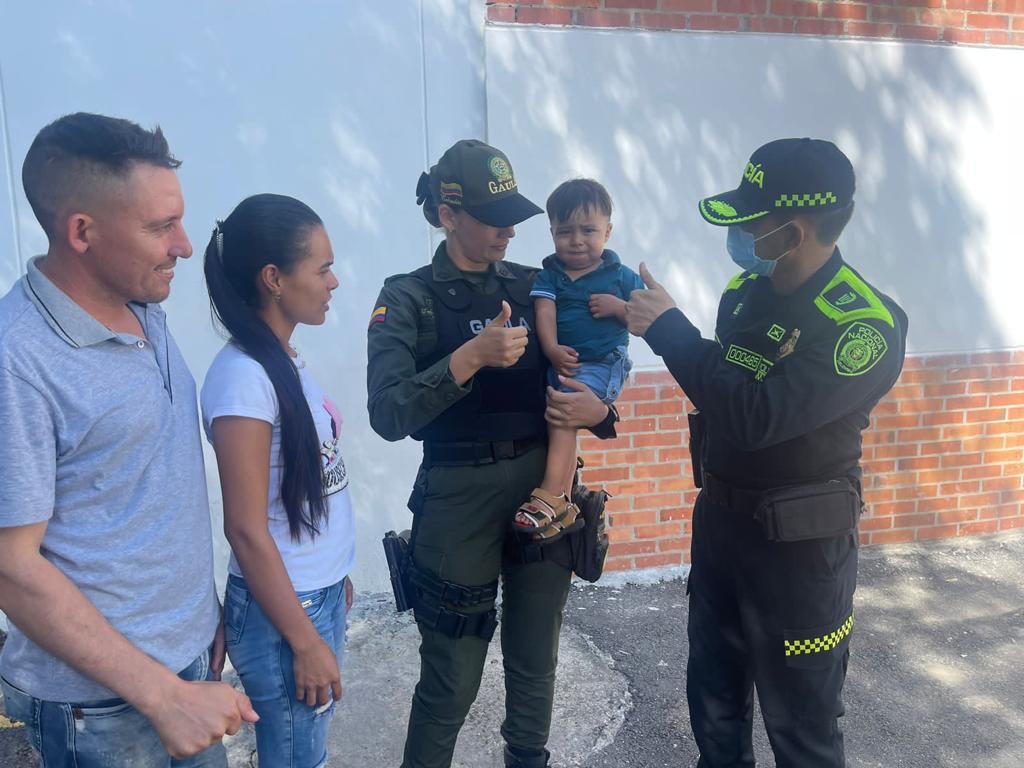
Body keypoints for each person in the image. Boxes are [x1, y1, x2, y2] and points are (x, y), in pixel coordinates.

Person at [625, 138, 909, 767]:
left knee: (802, 729)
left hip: (798, 557)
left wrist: (669, 330)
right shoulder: (744, 293)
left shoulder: (862, 327)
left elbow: (757, 416)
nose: (743, 235)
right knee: (715, 711)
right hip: (721, 533)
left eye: (753, 221)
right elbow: (724, 393)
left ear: (794, 231)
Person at [0, 112, 257, 767]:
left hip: (189, 664)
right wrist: (162, 696)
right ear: (82, 232)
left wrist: (200, 617)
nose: (185, 246)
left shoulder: (144, 306)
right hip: (103, 710)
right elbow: (10, 567)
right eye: (160, 226)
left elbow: (143, 488)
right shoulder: (17, 360)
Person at [366, 139, 619, 768]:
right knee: (451, 676)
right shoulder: (408, 297)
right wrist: (467, 360)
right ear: (448, 215)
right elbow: (388, 413)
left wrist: (601, 413)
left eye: (514, 217)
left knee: (535, 658)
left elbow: (595, 363)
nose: (510, 230)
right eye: (493, 217)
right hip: (458, 493)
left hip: (542, 490)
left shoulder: (539, 285)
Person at [200, 194, 356, 767]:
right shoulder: (244, 378)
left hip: (311, 595)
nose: (333, 282)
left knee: (305, 752)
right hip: (286, 614)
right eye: (322, 268)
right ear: (273, 278)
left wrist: (335, 573)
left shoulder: (281, 360)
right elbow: (244, 529)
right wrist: (305, 640)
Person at [513, 178, 643, 541]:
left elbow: (650, 317)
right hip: (565, 364)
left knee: (562, 415)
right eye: (565, 231)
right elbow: (545, 312)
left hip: (604, 362)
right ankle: (564, 500)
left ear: (608, 231)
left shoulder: (620, 276)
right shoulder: (550, 275)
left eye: (588, 230)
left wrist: (619, 308)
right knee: (561, 420)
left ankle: (550, 495)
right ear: (552, 232)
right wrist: (552, 349)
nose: (577, 240)